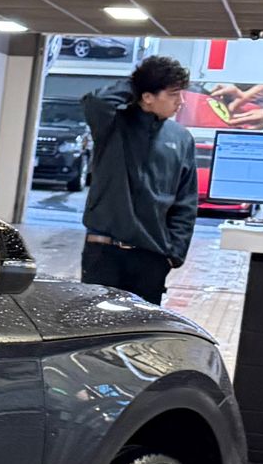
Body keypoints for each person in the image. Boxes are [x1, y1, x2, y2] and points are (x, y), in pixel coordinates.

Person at [78, 54, 199, 304]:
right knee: (93, 329)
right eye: (173, 94)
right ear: (147, 97)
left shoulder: (181, 138)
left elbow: (186, 201)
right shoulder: (112, 125)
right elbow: (96, 101)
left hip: (152, 258)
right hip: (104, 253)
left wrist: (173, 254)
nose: (181, 102)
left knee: (141, 336)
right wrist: (138, 81)